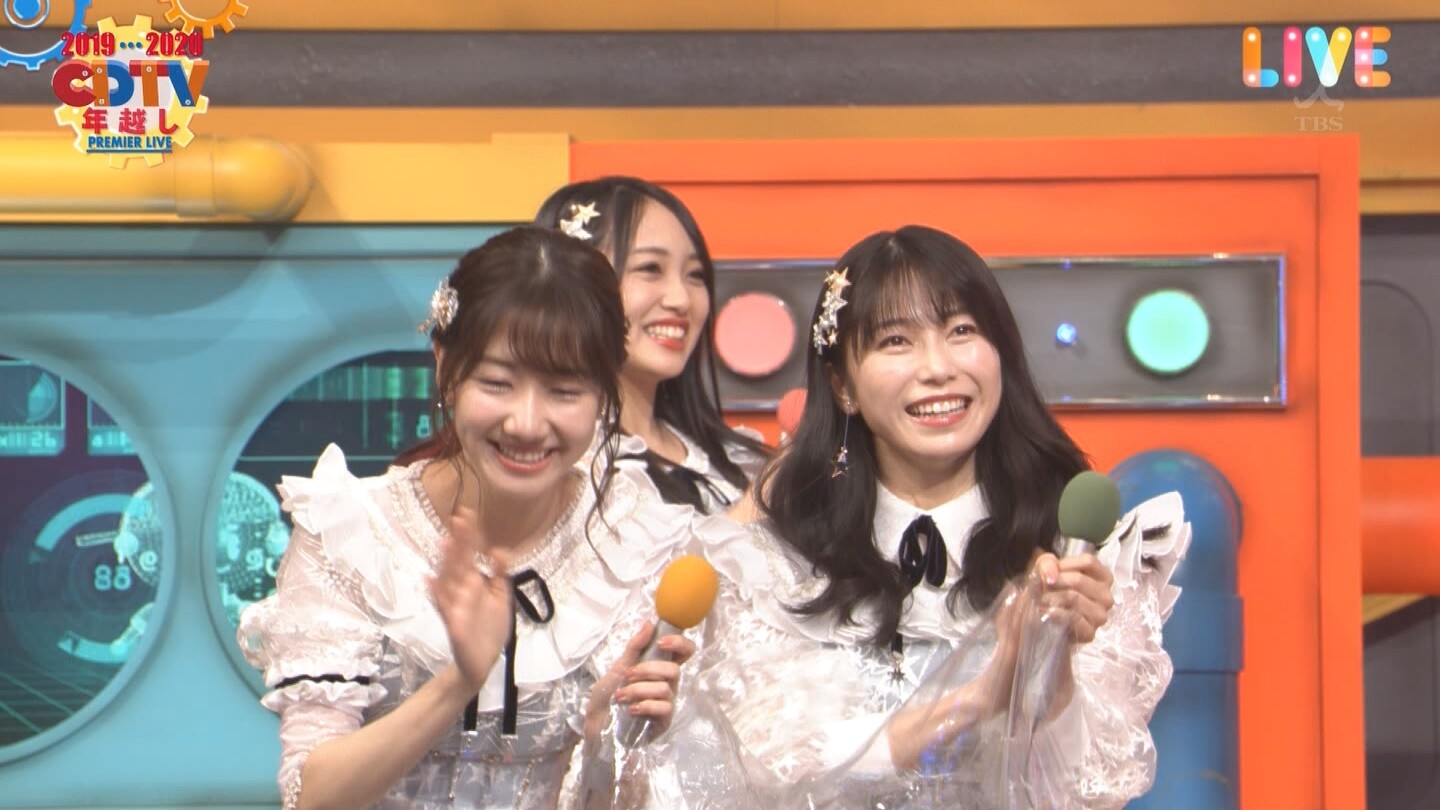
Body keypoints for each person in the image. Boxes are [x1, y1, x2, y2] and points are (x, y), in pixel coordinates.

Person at [678, 225, 1191, 808]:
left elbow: (1089, 790)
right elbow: (771, 770)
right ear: (842, 385)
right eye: (896, 341)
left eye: (961, 331)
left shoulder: (1072, 552)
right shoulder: (774, 562)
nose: (938, 367)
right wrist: (980, 699)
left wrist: (1050, 674)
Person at [237, 226, 698, 810]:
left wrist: (607, 740)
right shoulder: (350, 534)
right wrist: (459, 681)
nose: (526, 423)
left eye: (564, 391)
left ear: (606, 392)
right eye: (497, 383)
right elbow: (311, 797)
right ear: (446, 367)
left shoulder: (637, 545)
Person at [534, 177, 768, 514]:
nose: (681, 299)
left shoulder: (738, 461)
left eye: (695, 275)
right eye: (650, 269)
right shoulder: (554, 460)